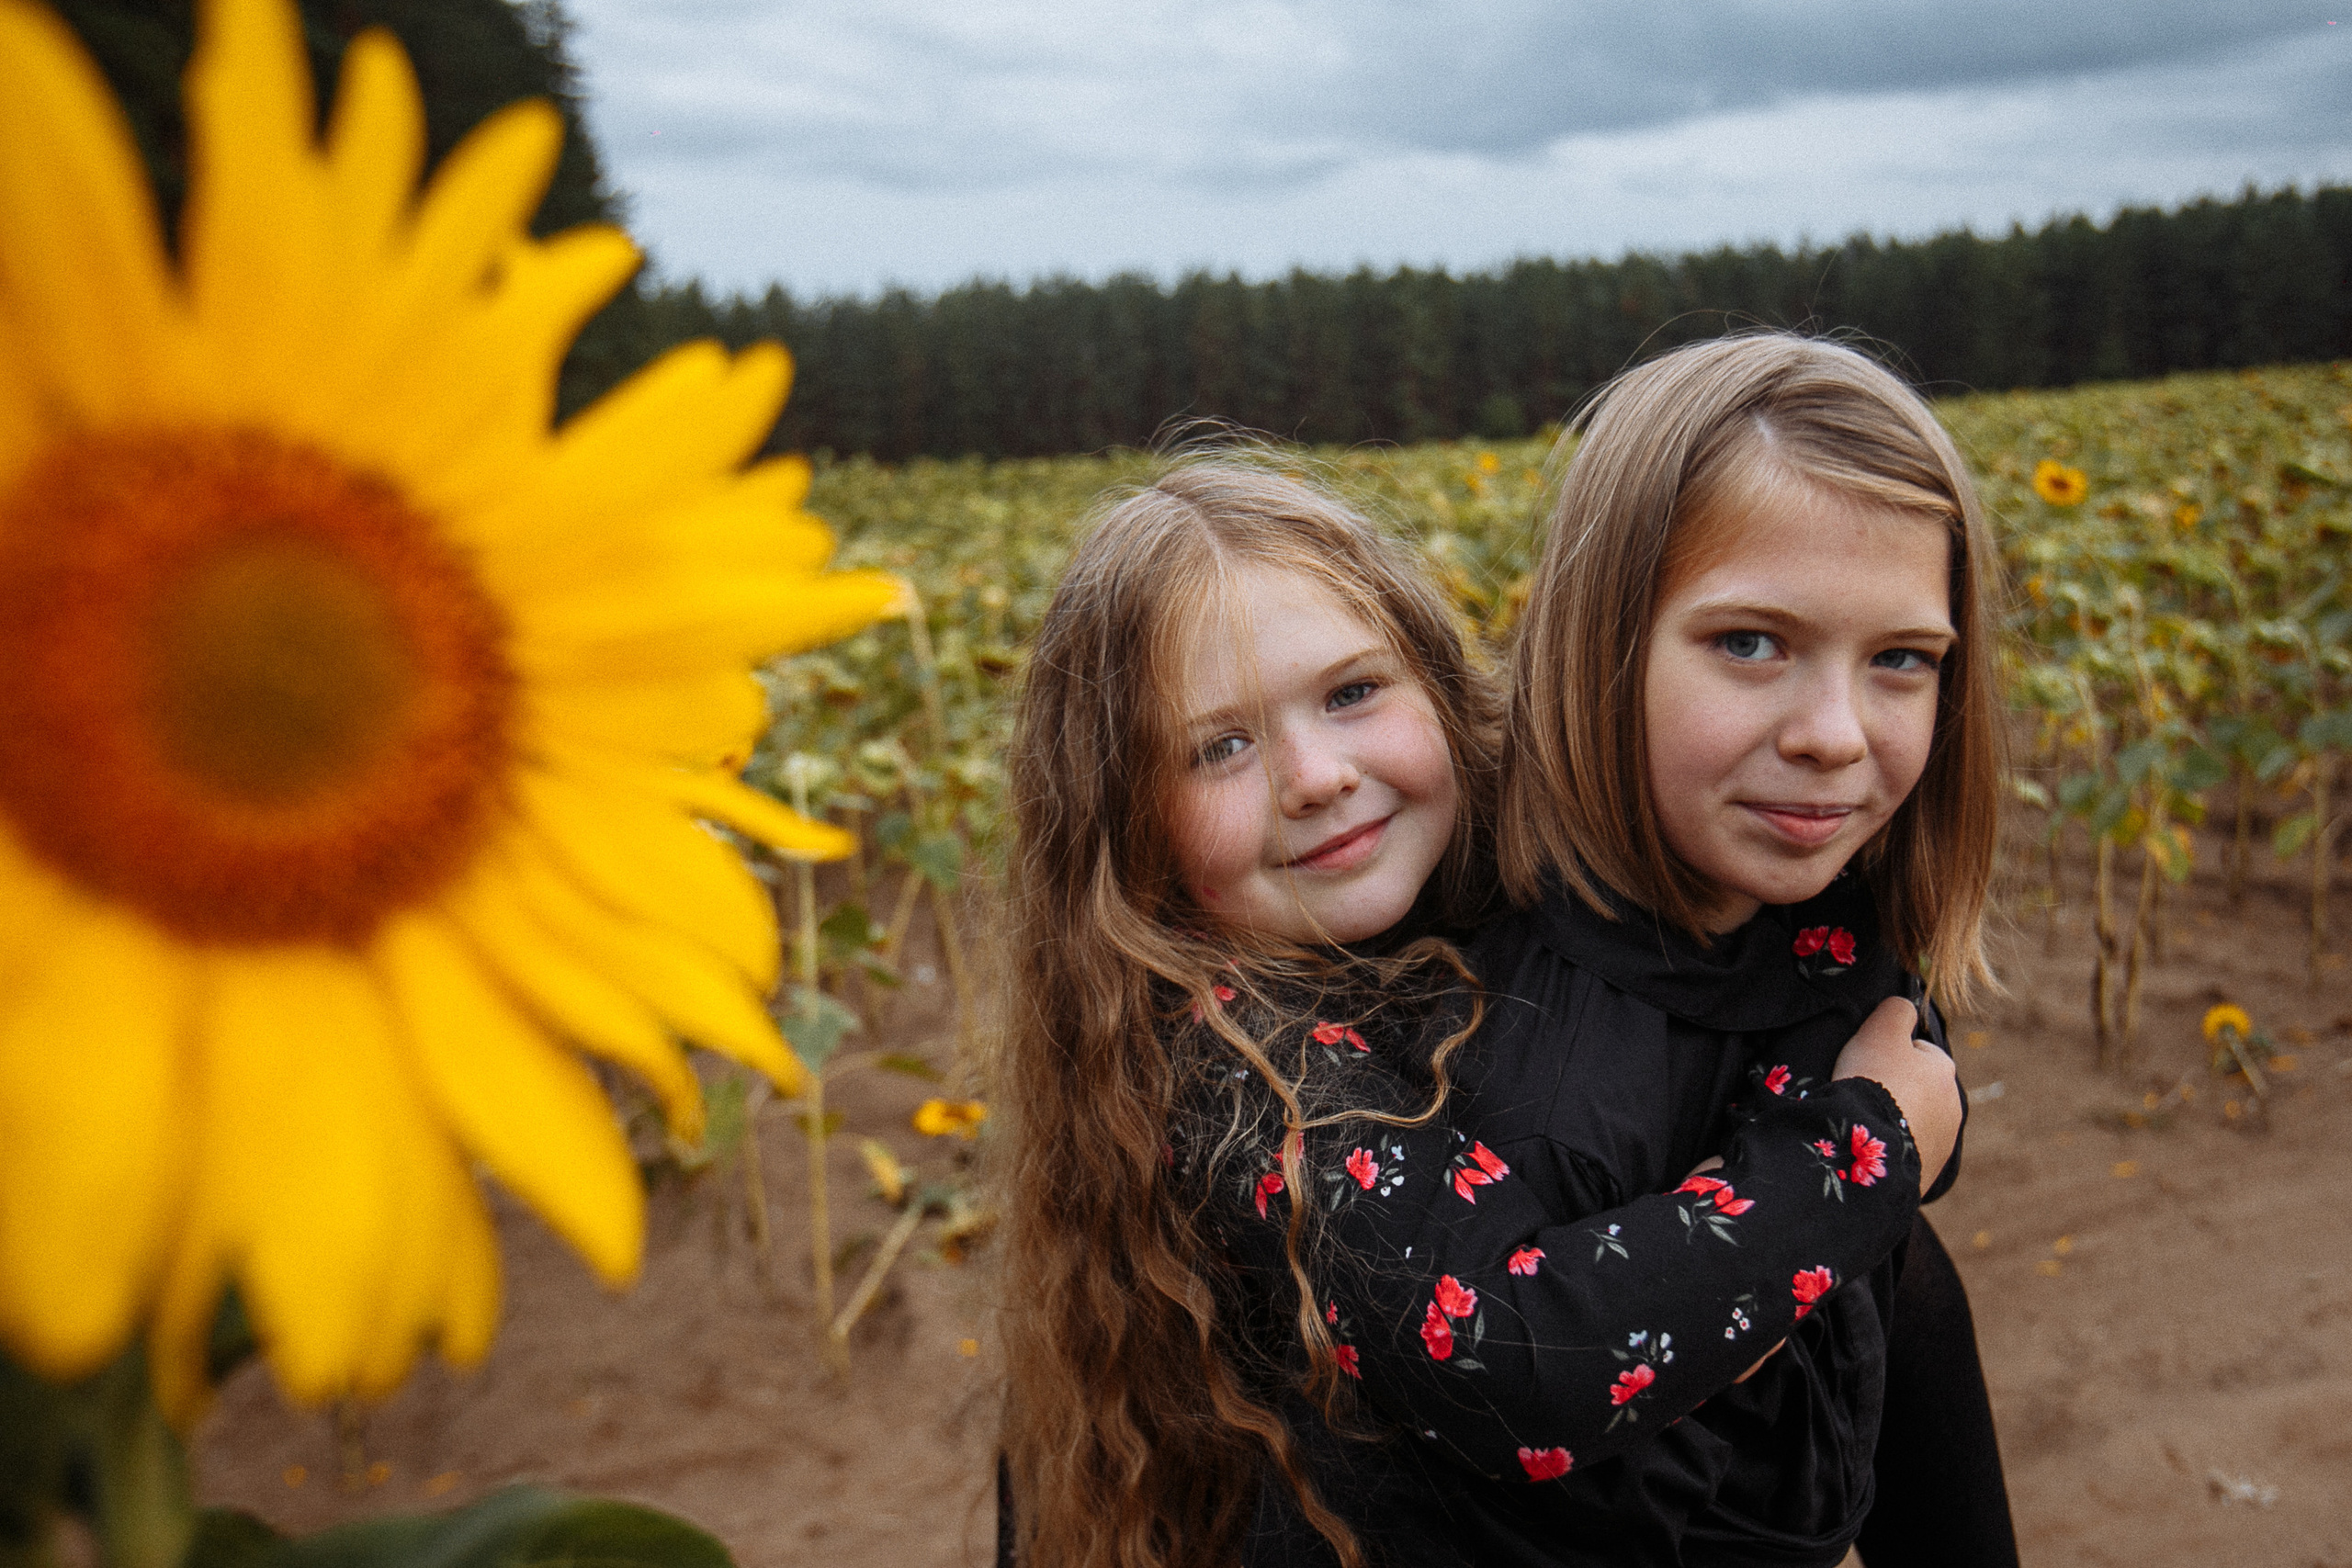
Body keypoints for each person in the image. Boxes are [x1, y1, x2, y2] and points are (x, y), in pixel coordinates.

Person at [994, 443, 1980, 1568]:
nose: (1314, 774)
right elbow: (1518, 1360)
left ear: (1439, 686)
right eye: (1220, 747)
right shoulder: (1228, 1064)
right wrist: (1862, 1149)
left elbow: (1804, 958)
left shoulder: (1524, 884)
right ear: (1128, 831)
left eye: (1353, 693)